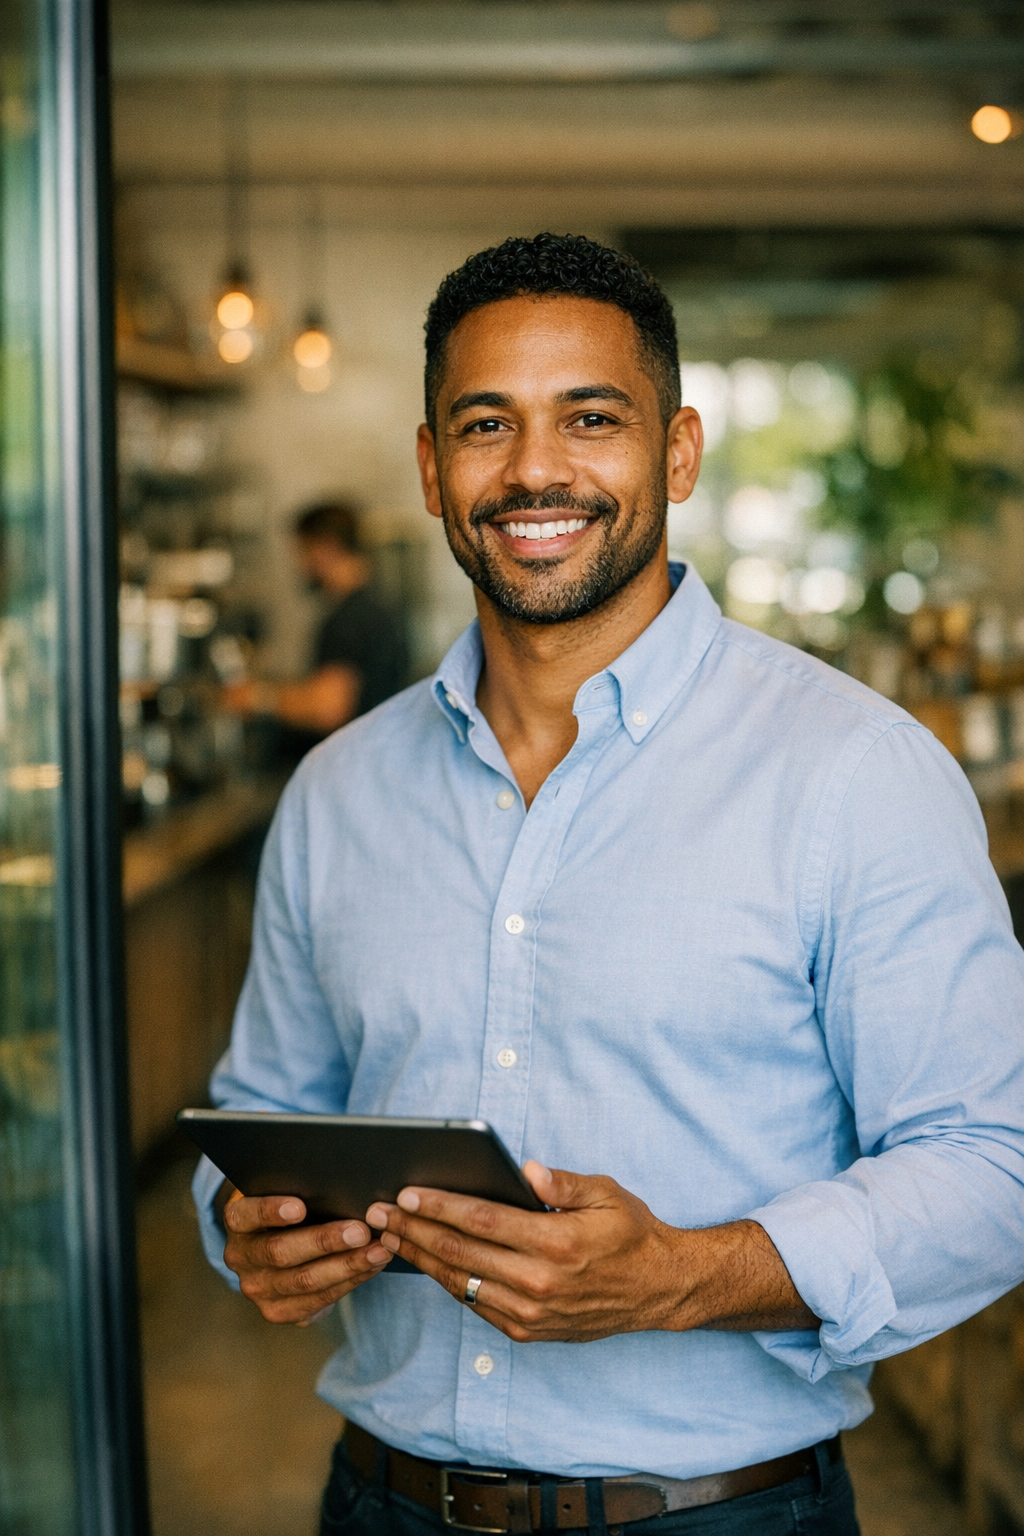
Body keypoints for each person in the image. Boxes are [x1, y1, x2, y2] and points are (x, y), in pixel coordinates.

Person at [194, 234, 1024, 1536]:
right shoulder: (338, 792)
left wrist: (687, 1277)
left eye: (591, 419)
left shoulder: (855, 773)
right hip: (383, 1502)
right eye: (485, 424)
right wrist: (248, 1223)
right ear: (430, 468)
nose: (535, 470)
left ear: (678, 453)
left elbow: (994, 1164)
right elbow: (264, 1105)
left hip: (720, 1516)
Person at [222, 500, 408, 749]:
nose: (299, 565)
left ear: (325, 547)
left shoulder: (350, 617)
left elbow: (329, 707)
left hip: (353, 765)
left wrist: (256, 697)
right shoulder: (379, 606)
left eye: (302, 551)